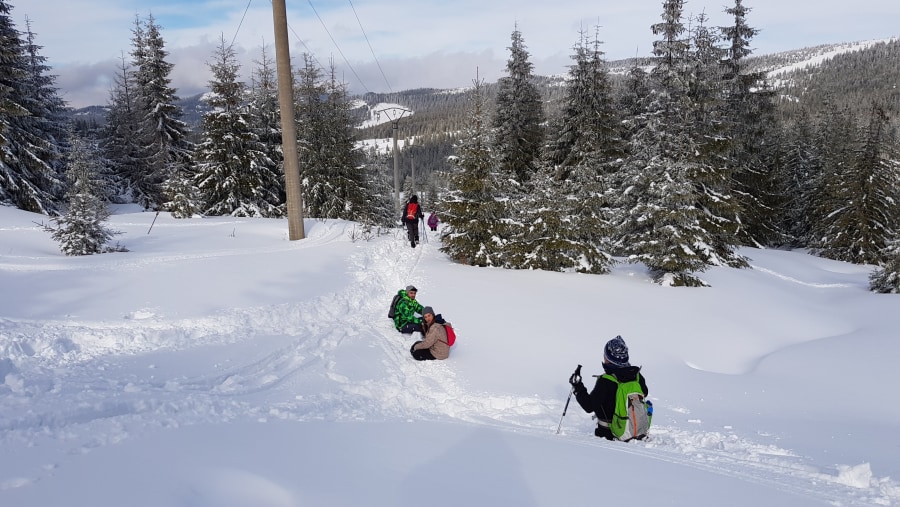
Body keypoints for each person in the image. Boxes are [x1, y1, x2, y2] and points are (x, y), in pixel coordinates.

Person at [570, 335, 649, 440]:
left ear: (608, 358)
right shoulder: (637, 376)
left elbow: (589, 406)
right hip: (634, 430)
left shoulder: (606, 381)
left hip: (608, 435)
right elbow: (645, 393)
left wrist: (578, 386)